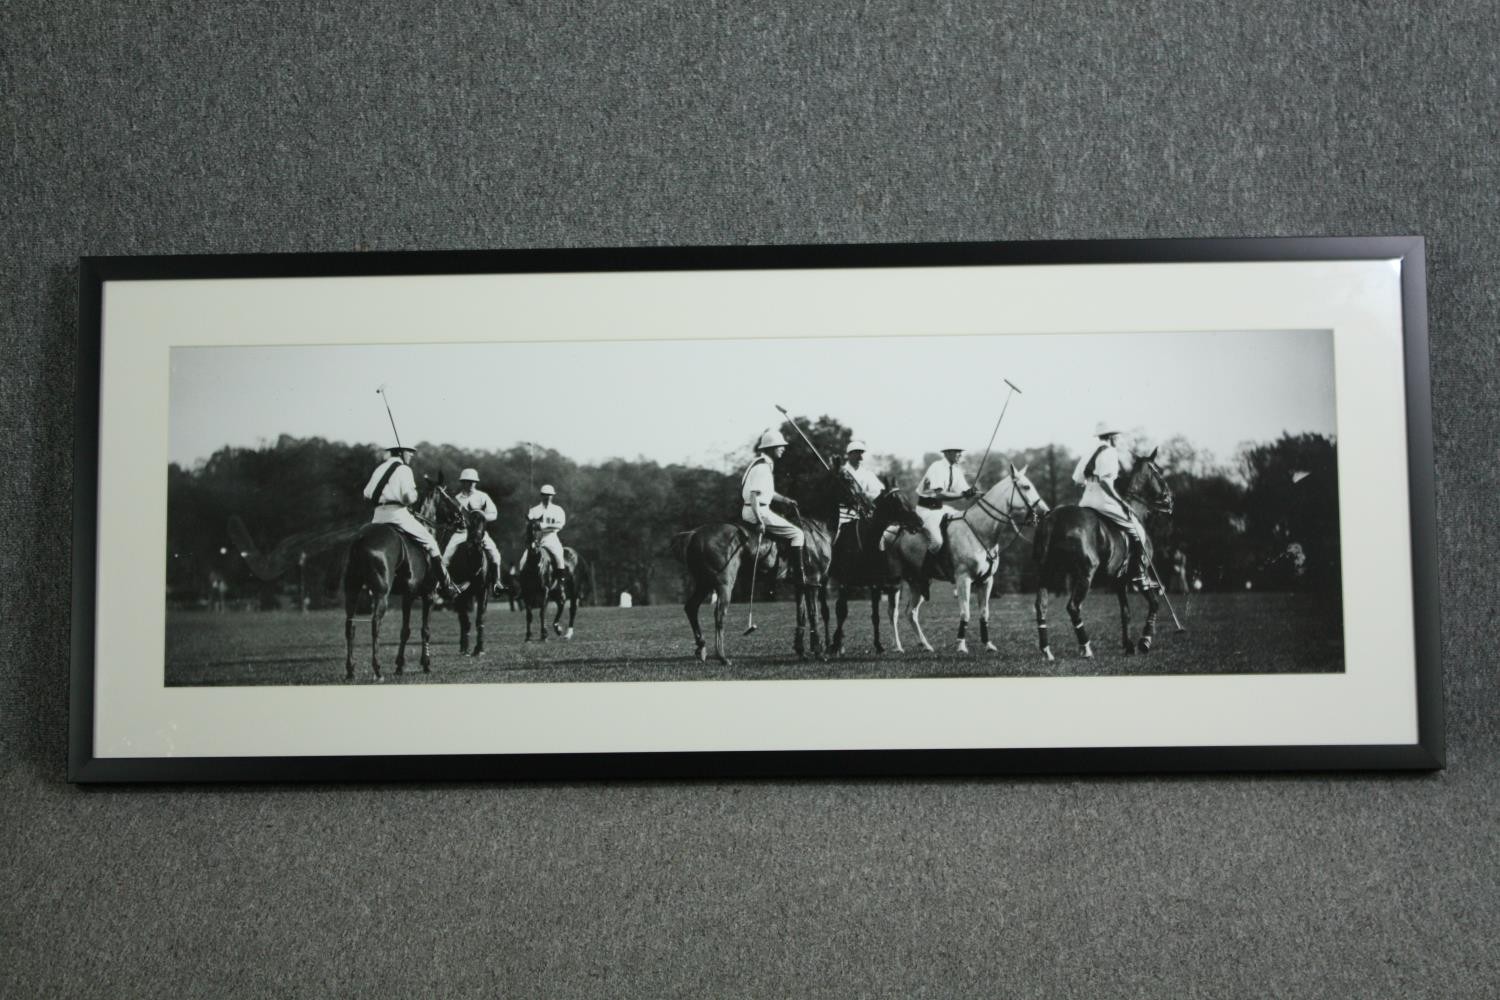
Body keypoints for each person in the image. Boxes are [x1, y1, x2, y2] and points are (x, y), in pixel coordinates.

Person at [1073, 422, 1159, 592]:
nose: (1118, 439)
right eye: (1116, 436)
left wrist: (1091, 483)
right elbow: (1106, 483)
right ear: (1111, 437)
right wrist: (1121, 502)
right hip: (1103, 501)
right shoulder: (1110, 452)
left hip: (1085, 502)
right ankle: (1140, 574)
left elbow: (1077, 480)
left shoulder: (1089, 451)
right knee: (1138, 530)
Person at [362, 445, 458, 595]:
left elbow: (366, 494)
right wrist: (415, 496)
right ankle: (446, 586)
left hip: (378, 516)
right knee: (432, 544)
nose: (411, 456)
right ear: (401, 452)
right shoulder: (404, 469)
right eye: (409, 453)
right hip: (397, 515)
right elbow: (407, 498)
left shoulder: (379, 468)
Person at [741, 428, 809, 580]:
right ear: (771, 448)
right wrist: (759, 521)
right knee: (797, 534)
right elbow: (754, 497)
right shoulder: (763, 468)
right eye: (780, 446)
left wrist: (786, 500)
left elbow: (766, 493)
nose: (783, 449)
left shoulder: (758, 464)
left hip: (752, 509)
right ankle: (799, 575)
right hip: (758, 511)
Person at [442, 468, 505, 597]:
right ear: (463, 482)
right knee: (446, 557)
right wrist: (454, 520)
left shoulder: (482, 496)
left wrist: (481, 516)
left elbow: (494, 514)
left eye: (473, 482)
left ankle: (497, 583)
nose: (471, 484)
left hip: (478, 533)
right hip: (461, 532)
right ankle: (446, 585)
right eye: (467, 481)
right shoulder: (456, 499)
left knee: (495, 554)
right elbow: (450, 517)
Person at [914, 446, 977, 551]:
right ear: (947, 453)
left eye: (960, 452)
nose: (960, 454)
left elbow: (964, 490)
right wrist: (963, 494)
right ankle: (927, 567)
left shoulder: (956, 470)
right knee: (937, 542)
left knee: (965, 521)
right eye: (957, 451)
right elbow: (940, 495)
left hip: (940, 509)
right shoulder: (936, 467)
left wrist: (973, 492)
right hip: (926, 510)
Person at [517, 484, 574, 589]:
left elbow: (560, 525)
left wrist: (543, 526)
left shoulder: (558, 510)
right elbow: (529, 526)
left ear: (553, 496)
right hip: (536, 539)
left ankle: (560, 585)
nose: (547, 497)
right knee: (522, 561)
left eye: (549, 495)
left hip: (551, 538)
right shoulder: (534, 510)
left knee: (559, 557)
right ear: (541, 495)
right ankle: (522, 587)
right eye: (545, 494)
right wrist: (530, 521)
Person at [836, 439, 884, 540]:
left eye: (861, 453)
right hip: (843, 512)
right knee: (836, 537)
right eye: (857, 453)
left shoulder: (867, 473)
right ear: (850, 454)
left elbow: (879, 491)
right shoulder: (841, 472)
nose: (860, 457)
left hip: (863, 513)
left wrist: (864, 495)